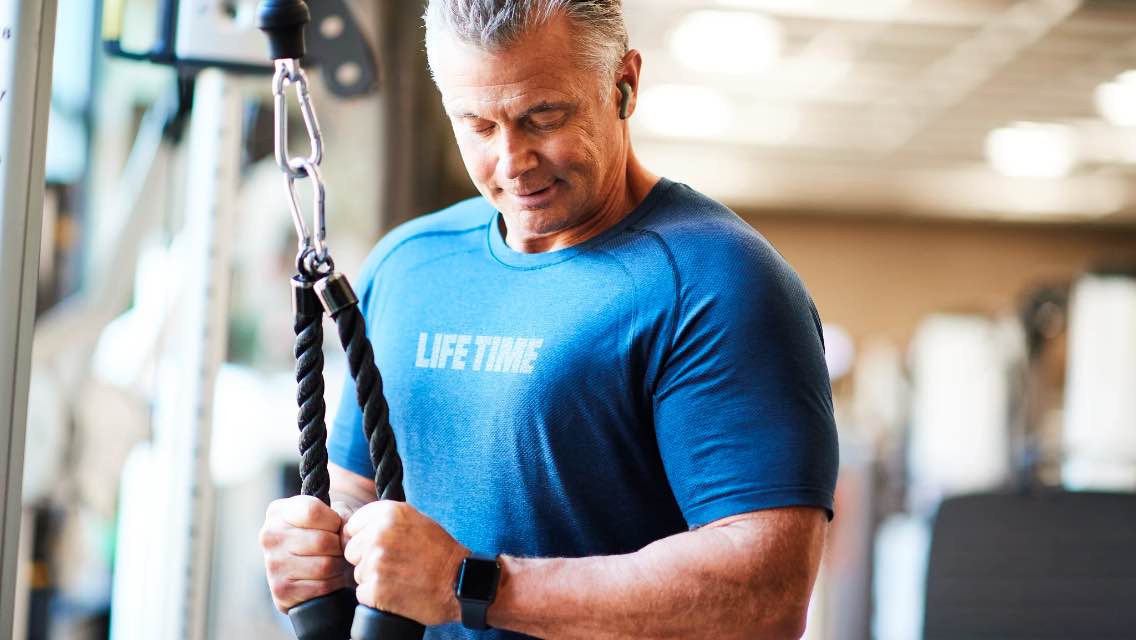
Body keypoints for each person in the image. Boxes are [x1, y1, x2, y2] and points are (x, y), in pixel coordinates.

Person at [259, 1, 839, 638]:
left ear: (624, 85)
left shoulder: (717, 282)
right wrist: (315, 545)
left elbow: (766, 594)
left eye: (543, 117)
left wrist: (470, 586)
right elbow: (356, 487)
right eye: (477, 125)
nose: (512, 161)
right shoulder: (406, 264)